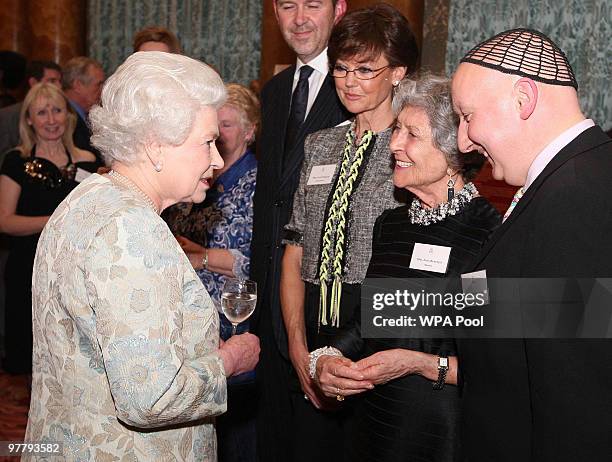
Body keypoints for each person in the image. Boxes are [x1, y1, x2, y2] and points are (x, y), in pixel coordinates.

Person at [23, 52, 259, 461]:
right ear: (154, 146)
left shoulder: (91, 196)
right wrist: (227, 361)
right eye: (206, 142)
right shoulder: (131, 229)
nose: (217, 159)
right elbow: (151, 399)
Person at [313, 73, 500, 462]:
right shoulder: (392, 226)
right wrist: (327, 359)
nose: (394, 144)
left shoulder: (486, 234)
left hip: (442, 432)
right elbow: (369, 321)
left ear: (452, 153)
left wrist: (419, 364)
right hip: (372, 424)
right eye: (396, 130)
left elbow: (494, 365)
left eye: (411, 134)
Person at [450, 28, 612, 461]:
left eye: (467, 116)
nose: (463, 140)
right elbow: (535, 316)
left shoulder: (574, 195)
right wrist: (390, 311)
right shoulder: (573, 177)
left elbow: (577, 400)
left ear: (523, 98)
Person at [281, 4, 419, 460]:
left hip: (380, 326)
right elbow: (296, 248)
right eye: (341, 68)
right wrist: (300, 352)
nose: (349, 81)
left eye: (366, 69)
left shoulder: (415, 150)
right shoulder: (320, 143)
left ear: (398, 73)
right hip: (314, 318)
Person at [249, 1, 349, 460]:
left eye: (313, 4)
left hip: (324, 296)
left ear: (339, 9)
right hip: (267, 288)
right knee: (273, 431)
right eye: (289, 5)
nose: (300, 18)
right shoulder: (271, 93)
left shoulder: (357, 89)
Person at [172, 82, 260, 461]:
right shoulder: (197, 172)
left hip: (231, 317)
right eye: (211, 127)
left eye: (226, 125)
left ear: (249, 131)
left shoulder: (257, 181)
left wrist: (203, 258)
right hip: (188, 320)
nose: (217, 135)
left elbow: (257, 259)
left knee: (233, 434)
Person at [0, 83, 97, 375]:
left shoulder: (90, 160)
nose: (52, 119)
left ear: (68, 116)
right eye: (42, 112)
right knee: (33, 360)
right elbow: (4, 220)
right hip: (29, 269)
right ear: (29, 119)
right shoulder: (16, 162)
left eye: (57, 110)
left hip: (79, 270)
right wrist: (56, 220)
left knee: (77, 358)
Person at [0, 60, 62, 156]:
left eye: (60, 81)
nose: (59, 86)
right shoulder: (7, 116)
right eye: (52, 81)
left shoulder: (64, 112)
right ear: (33, 82)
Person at [62, 56, 106, 166]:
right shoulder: (62, 117)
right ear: (77, 85)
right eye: (98, 84)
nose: (103, 90)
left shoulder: (88, 115)